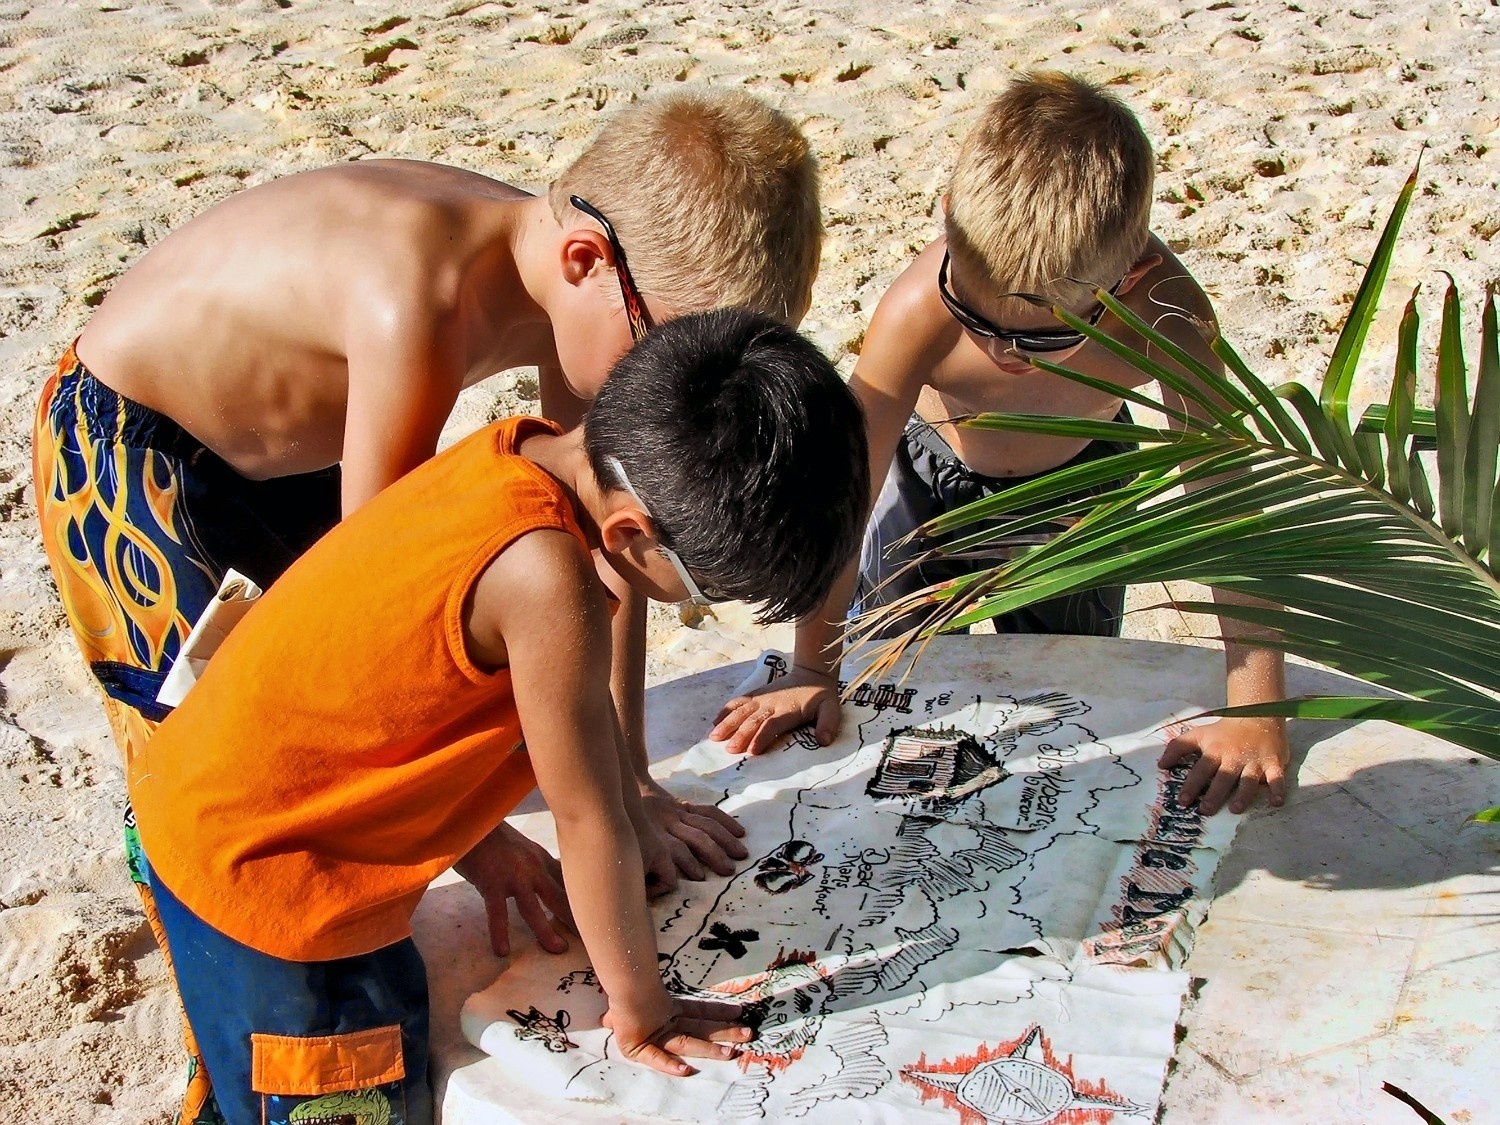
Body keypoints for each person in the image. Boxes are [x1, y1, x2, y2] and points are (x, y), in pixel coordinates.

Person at [126, 309, 871, 1125]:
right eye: (700, 593)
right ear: (629, 532)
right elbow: (587, 821)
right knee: (345, 1096)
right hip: (267, 879)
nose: (690, 606)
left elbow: (386, 686)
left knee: (240, 1062)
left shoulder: (520, 449)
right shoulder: (547, 580)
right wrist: (644, 1009)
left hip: (193, 793)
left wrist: (480, 838)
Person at [712, 71, 1290, 818]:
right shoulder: (921, 306)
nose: (1002, 350)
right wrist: (812, 669)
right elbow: (844, 492)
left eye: (1042, 338)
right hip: (929, 479)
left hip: (1076, 489)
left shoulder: (1167, 315)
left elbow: (1225, 501)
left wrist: (1256, 708)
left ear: (1131, 275)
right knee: (894, 685)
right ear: (948, 221)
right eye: (974, 318)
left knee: (1067, 689)